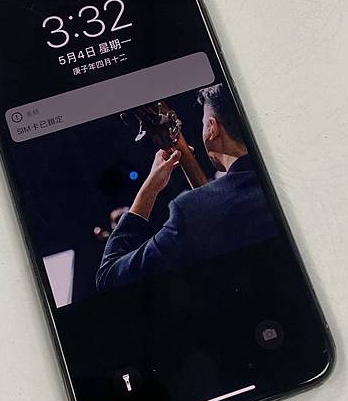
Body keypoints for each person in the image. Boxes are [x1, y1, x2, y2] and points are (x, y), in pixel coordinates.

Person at [96, 83, 279, 292]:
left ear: (212, 128)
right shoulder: (276, 182)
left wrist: (150, 187)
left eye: (203, 123)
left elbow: (109, 277)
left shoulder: (190, 211)